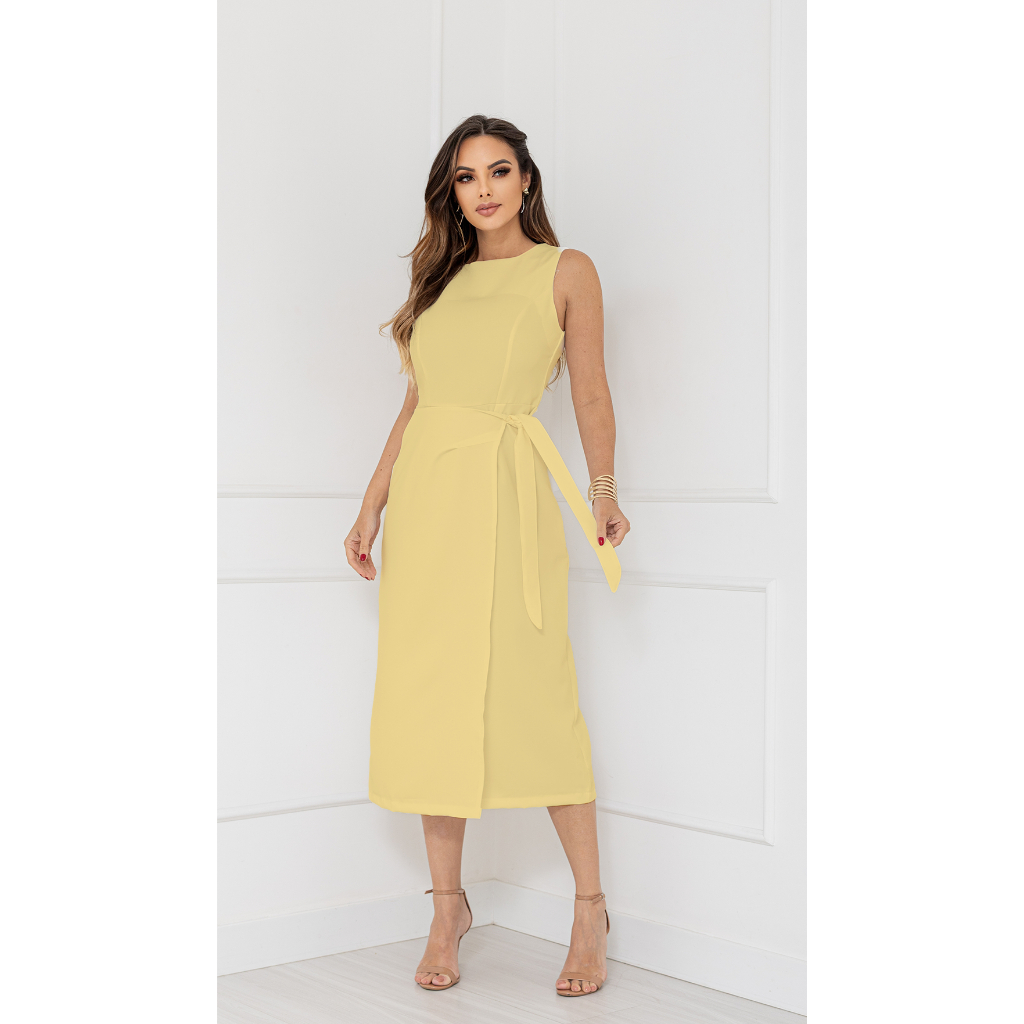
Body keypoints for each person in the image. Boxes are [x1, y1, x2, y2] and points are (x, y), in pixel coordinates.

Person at [344, 114, 630, 997]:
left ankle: (589, 909)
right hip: (429, 504)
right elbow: (416, 406)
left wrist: (604, 490)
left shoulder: (565, 271)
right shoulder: (439, 280)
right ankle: (447, 910)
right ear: (453, 192)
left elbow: (590, 390)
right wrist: (372, 503)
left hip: (508, 497)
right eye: (466, 178)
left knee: (540, 700)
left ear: (527, 179)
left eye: (498, 171)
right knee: (433, 702)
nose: (484, 190)